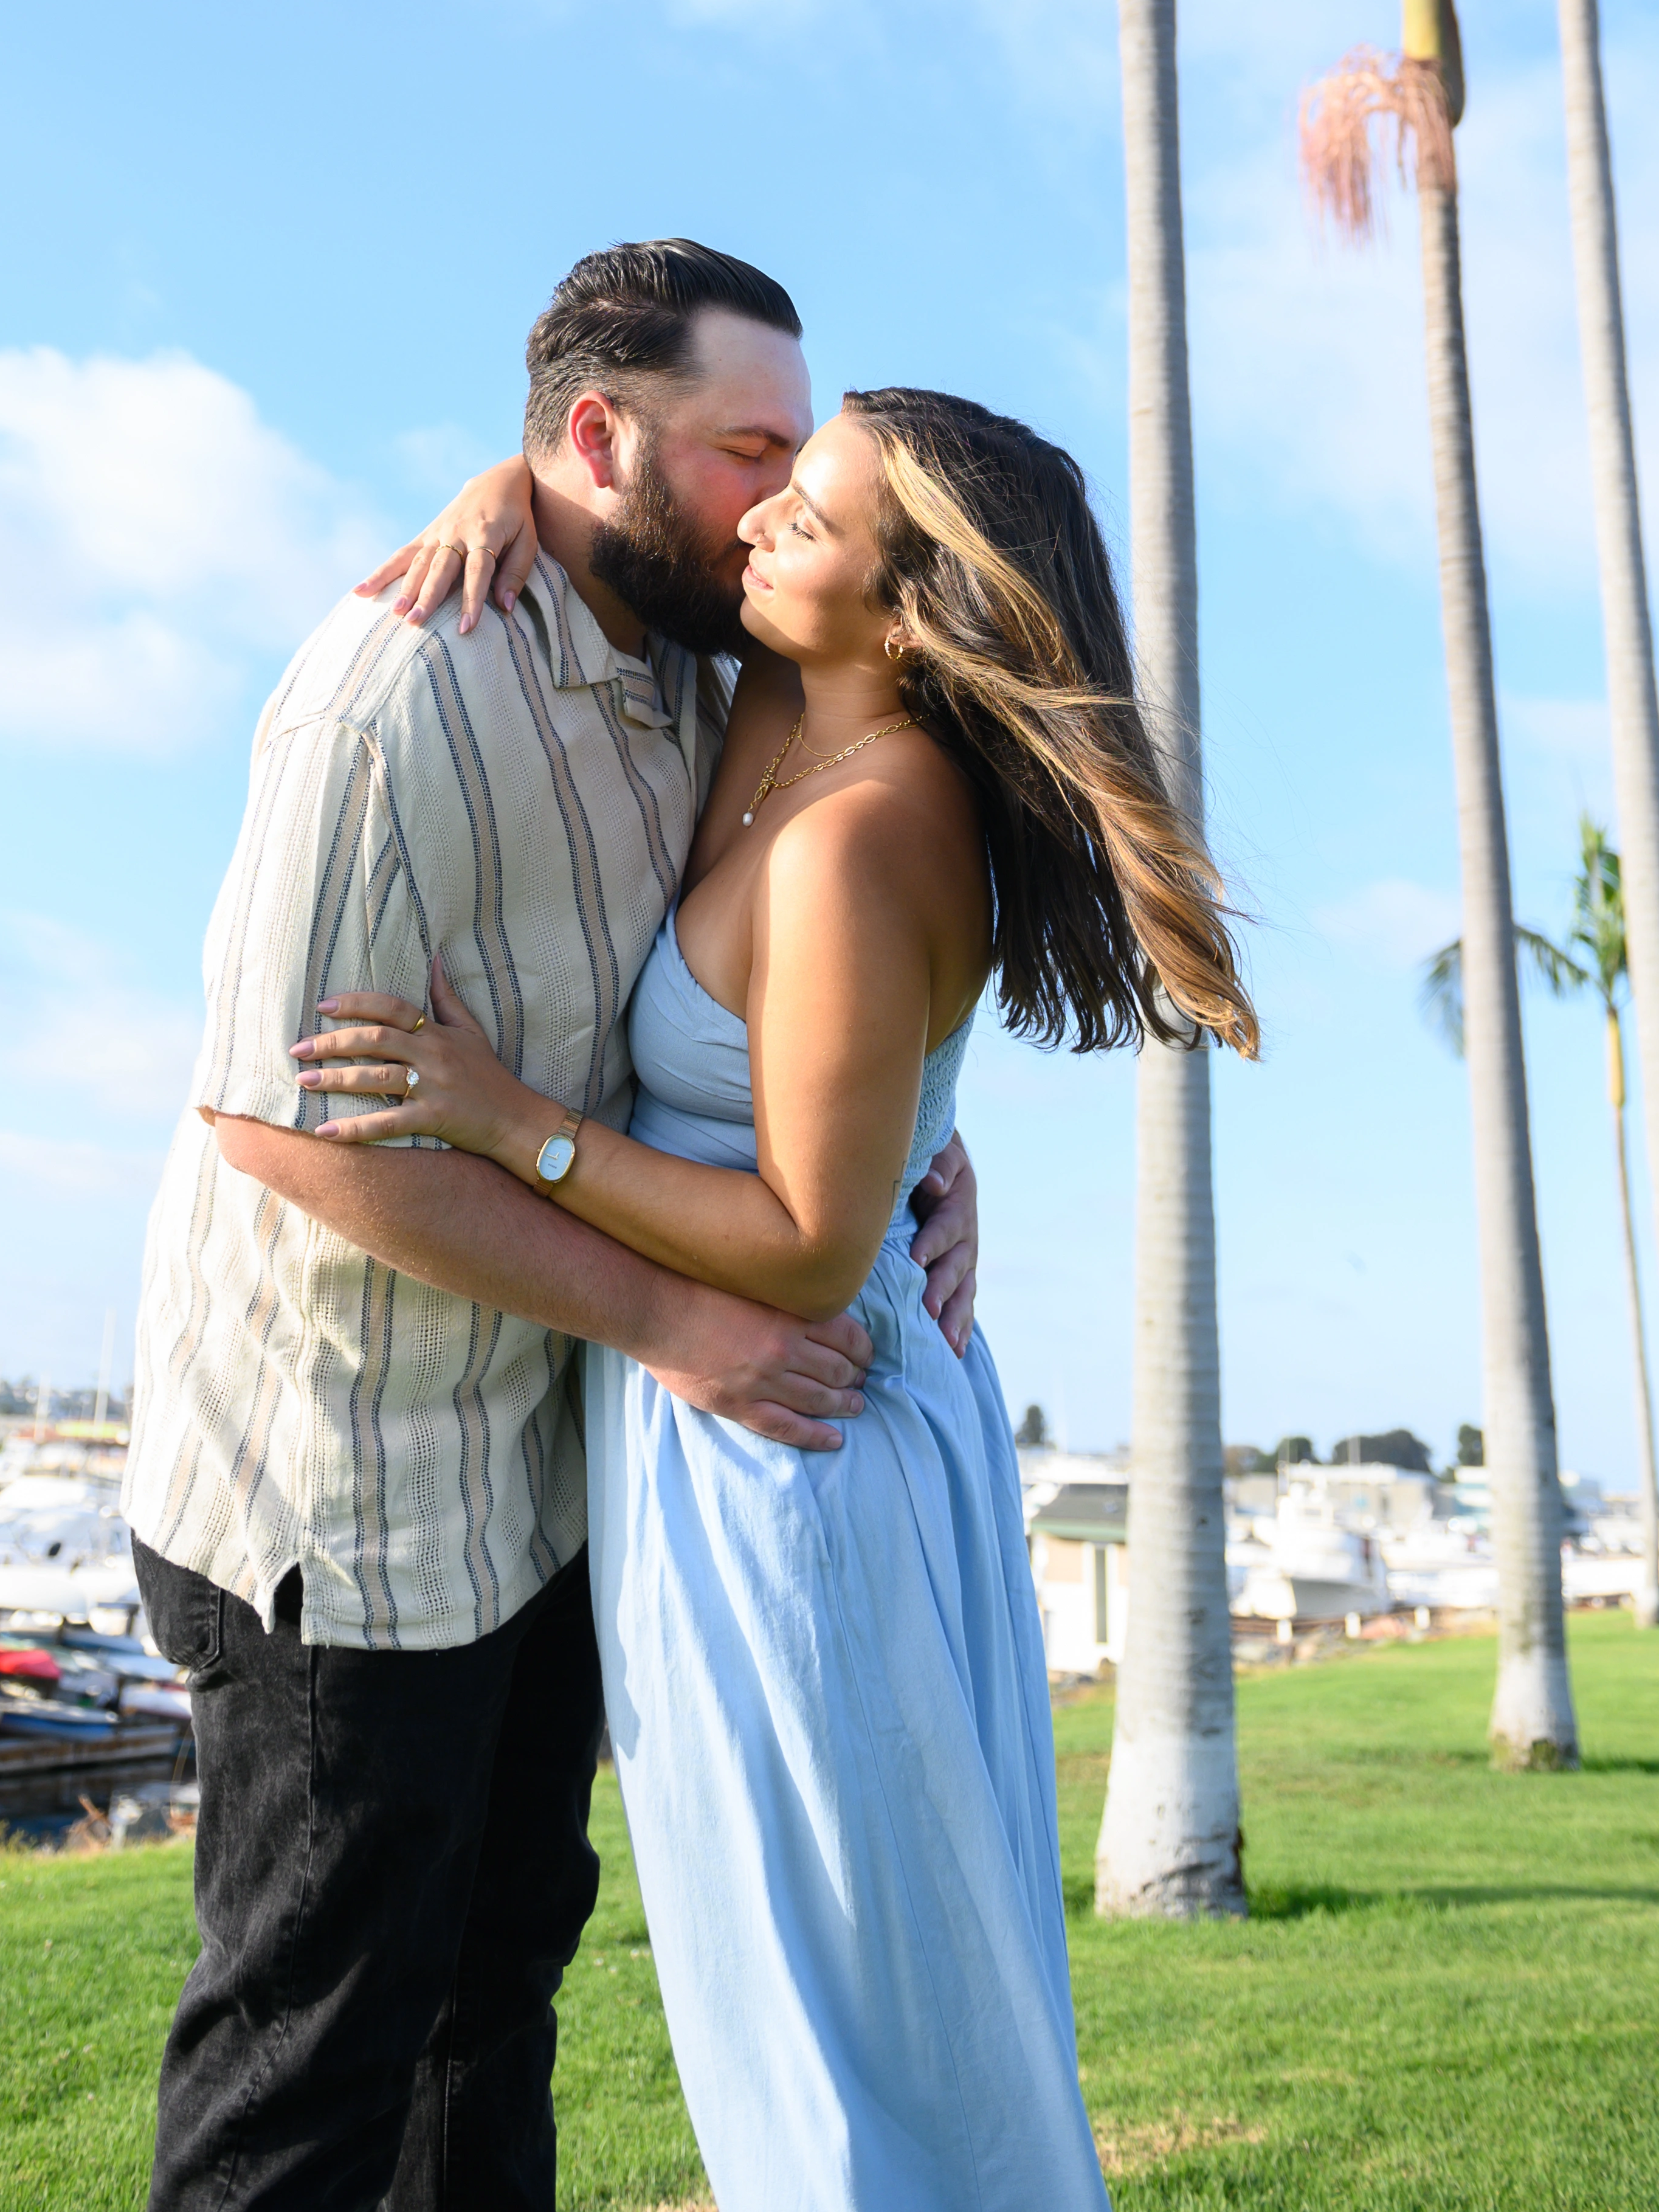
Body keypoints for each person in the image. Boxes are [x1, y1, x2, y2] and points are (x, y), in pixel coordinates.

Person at [285, 384, 1259, 2211]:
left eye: (806, 521)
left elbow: (810, 1238)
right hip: (727, 1430)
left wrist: (513, 1128)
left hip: (794, 1444)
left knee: (846, 2053)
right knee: (806, 2024)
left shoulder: (862, 823)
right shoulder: (777, 712)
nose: (755, 528)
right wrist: (510, 476)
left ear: (908, 614)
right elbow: (846, 1100)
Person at [121, 241, 979, 2211]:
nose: (782, 497)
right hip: (336, 1490)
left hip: (540, 1479)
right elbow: (284, 1130)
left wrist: (919, 1140)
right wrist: (677, 1325)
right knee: (311, 2052)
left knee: (491, 2003)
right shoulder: (391, 692)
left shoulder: (700, 656)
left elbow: (817, 950)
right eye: (747, 448)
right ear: (598, 438)